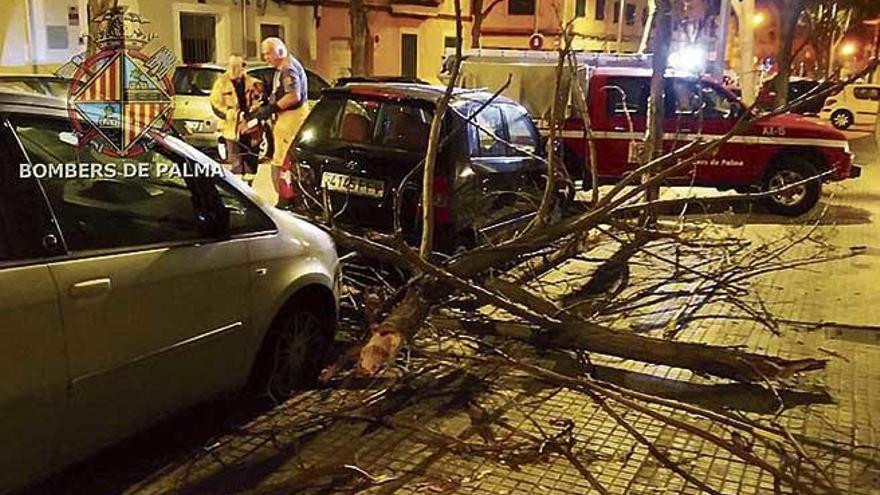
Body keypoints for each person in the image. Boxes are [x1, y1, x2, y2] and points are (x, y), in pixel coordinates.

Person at [253, 37, 309, 204]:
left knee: (283, 161)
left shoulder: (287, 68)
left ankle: (286, 201)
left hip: (291, 120)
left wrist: (271, 108)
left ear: (279, 51)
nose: (265, 58)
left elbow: (293, 96)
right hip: (286, 119)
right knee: (280, 159)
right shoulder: (282, 67)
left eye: (267, 54)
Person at [210, 55, 262, 186]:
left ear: (243, 67)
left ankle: (249, 185)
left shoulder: (252, 82)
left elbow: (259, 100)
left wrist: (253, 110)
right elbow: (215, 102)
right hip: (232, 127)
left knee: (251, 157)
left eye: (237, 67)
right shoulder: (221, 83)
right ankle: (239, 187)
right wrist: (228, 113)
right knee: (236, 159)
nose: (234, 70)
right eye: (232, 67)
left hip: (249, 125)